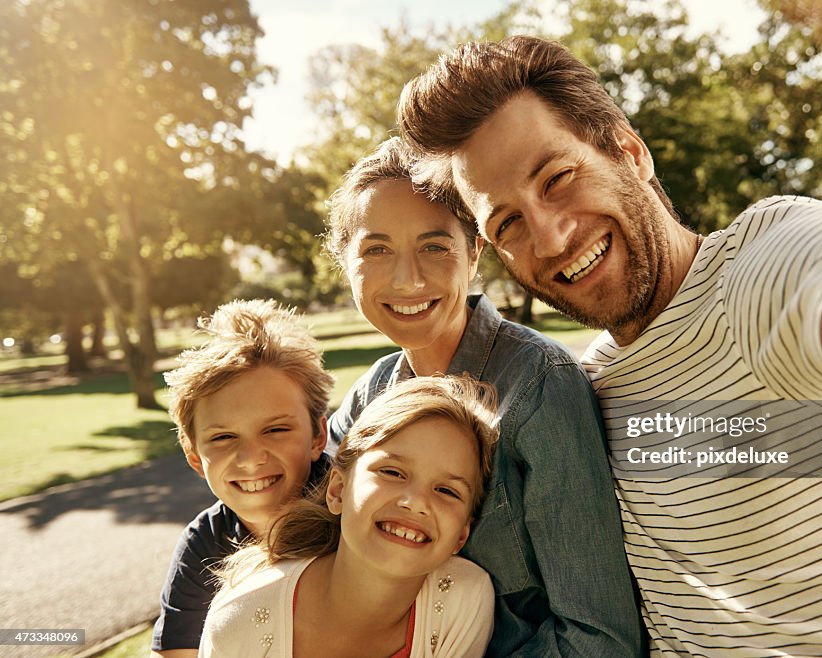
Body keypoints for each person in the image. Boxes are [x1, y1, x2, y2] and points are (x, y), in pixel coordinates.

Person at [396, 35, 822, 656]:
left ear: (629, 152)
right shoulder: (584, 387)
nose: (552, 235)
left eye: (558, 178)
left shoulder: (759, 273)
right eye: (508, 222)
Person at [324, 137, 643, 657]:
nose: (407, 278)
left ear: (474, 253)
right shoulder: (370, 398)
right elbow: (302, 528)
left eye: (434, 247)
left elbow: (600, 641)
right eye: (376, 249)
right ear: (345, 261)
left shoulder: (540, 387)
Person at [198, 375, 498, 658]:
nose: (415, 502)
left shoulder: (462, 598)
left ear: (462, 533)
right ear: (338, 490)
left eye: (447, 491)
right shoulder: (240, 619)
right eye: (392, 472)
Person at [151, 299, 334, 658]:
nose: (251, 458)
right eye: (223, 437)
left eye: (276, 429)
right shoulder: (204, 544)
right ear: (195, 458)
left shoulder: (359, 512)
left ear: (318, 436)